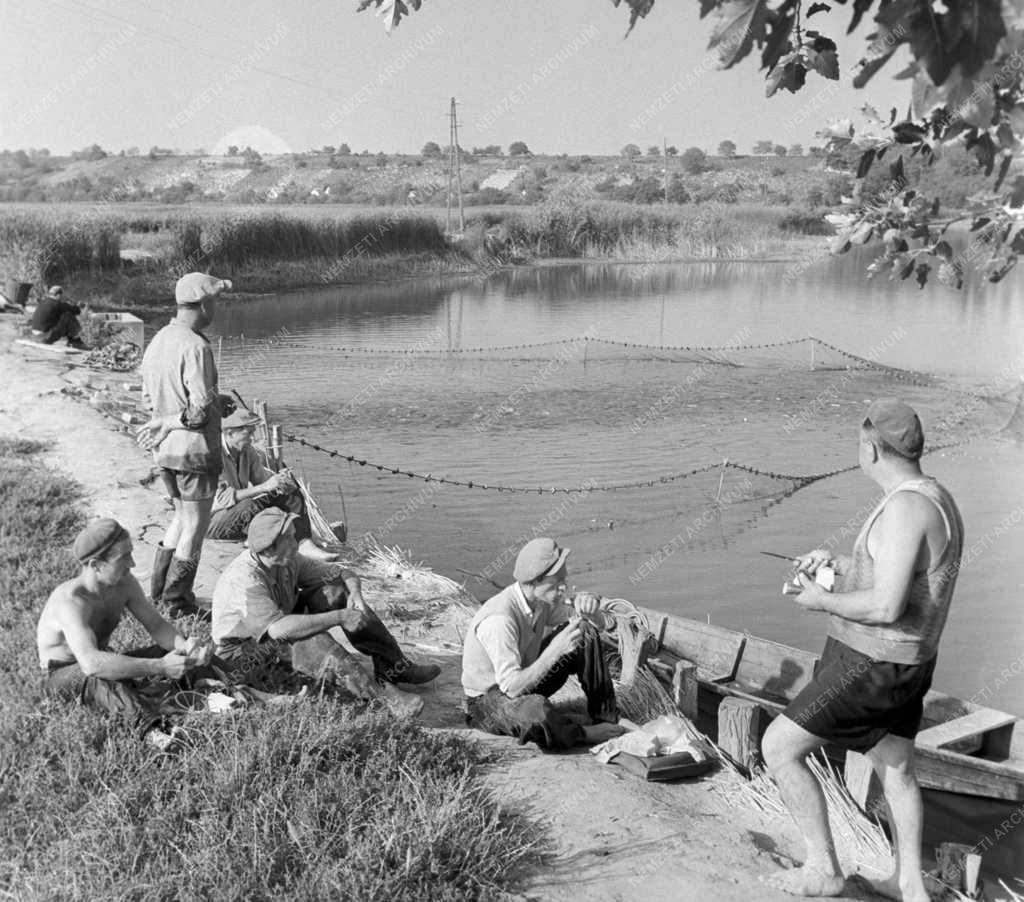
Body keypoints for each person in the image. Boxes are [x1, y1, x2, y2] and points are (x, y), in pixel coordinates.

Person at [760, 399, 964, 902]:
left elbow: (887, 605)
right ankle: (909, 885)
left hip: (869, 664)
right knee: (895, 766)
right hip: (908, 664)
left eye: (858, 441)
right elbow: (904, 581)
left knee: (779, 748)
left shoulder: (904, 508)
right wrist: (837, 565)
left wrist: (820, 600)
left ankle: (824, 868)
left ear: (872, 447)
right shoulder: (935, 496)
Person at [211, 507, 440, 717]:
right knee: (311, 637)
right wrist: (339, 617)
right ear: (270, 548)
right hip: (244, 656)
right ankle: (380, 701)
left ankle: (392, 665)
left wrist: (355, 595)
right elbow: (281, 631)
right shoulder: (244, 582)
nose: (296, 541)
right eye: (290, 537)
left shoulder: (286, 559)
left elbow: (342, 573)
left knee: (334, 591)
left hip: (278, 623)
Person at [37, 518, 218, 750]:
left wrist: (185, 648)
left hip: (101, 663)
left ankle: (218, 689)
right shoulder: (71, 602)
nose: (132, 563)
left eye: (130, 554)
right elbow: (91, 663)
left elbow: (156, 625)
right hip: (64, 676)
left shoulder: (125, 584)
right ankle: (157, 732)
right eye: (123, 558)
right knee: (96, 675)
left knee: (173, 649)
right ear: (96, 565)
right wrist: (160, 666)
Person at [461, 537, 623, 750]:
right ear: (535, 581)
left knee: (584, 632)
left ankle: (605, 717)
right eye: (557, 582)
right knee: (535, 711)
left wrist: (589, 606)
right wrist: (555, 650)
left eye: (564, 580)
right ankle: (584, 733)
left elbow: (595, 624)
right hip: (489, 702)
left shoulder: (541, 600)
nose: (563, 588)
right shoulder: (500, 620)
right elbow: (511, 688)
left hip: (523, 681)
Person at [138, 272, 234, 620]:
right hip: (195, 451)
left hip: (166, 451)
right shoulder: (197, 346)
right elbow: (196, 412)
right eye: (216, 302)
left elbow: (151, 397)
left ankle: (159, 592)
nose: (217, 309)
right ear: (204, 304)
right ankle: (179, 602)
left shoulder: (159, 339)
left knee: (180, 517)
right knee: (195, 526)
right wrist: (175, 419)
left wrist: (168, 419)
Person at [206, 408, 336, 560]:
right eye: (248, 433)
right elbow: (223, 498)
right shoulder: (210, 455)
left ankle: (303, 542)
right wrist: (266, 487)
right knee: (249, 505)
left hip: (236, 515)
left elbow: (262, 478)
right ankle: (259, 538)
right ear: (230, 433)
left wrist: (281, 481)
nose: (252, 439)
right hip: (212, 524)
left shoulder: (248, 451)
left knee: (291, 495)